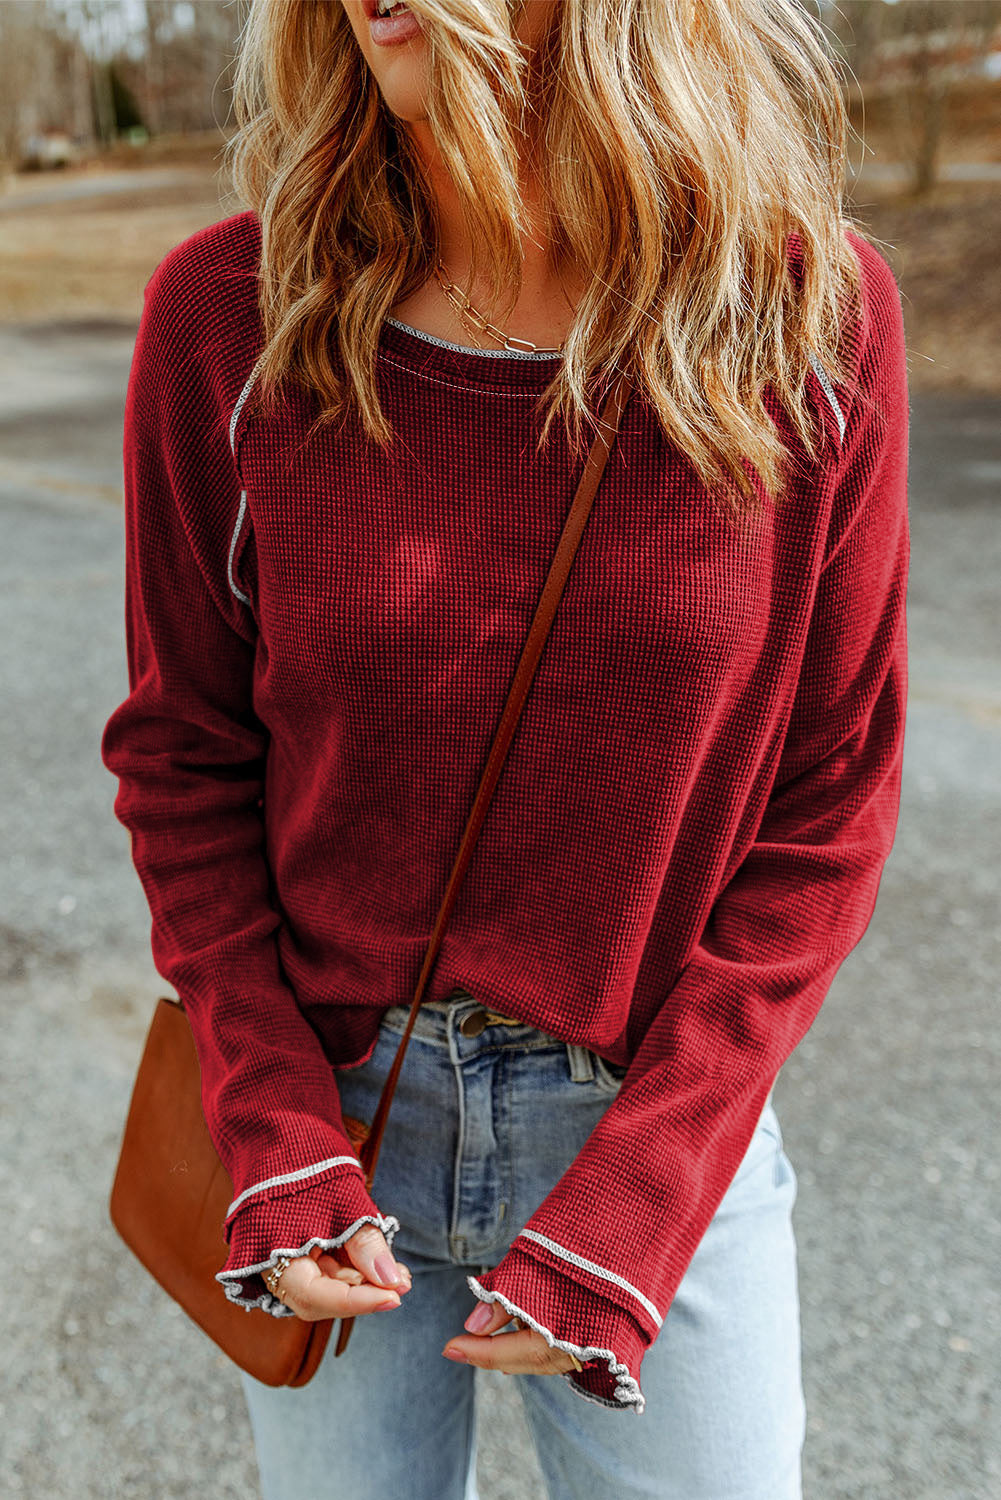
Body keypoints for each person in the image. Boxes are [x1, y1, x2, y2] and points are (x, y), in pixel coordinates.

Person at [99, 0, 910, 1494]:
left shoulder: (804, 313)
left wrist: (643, 1188)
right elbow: (184, 757)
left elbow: (831, 798)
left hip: (657, 1132)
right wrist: (274, 1122)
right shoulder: (230, 314)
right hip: (340, 1130)